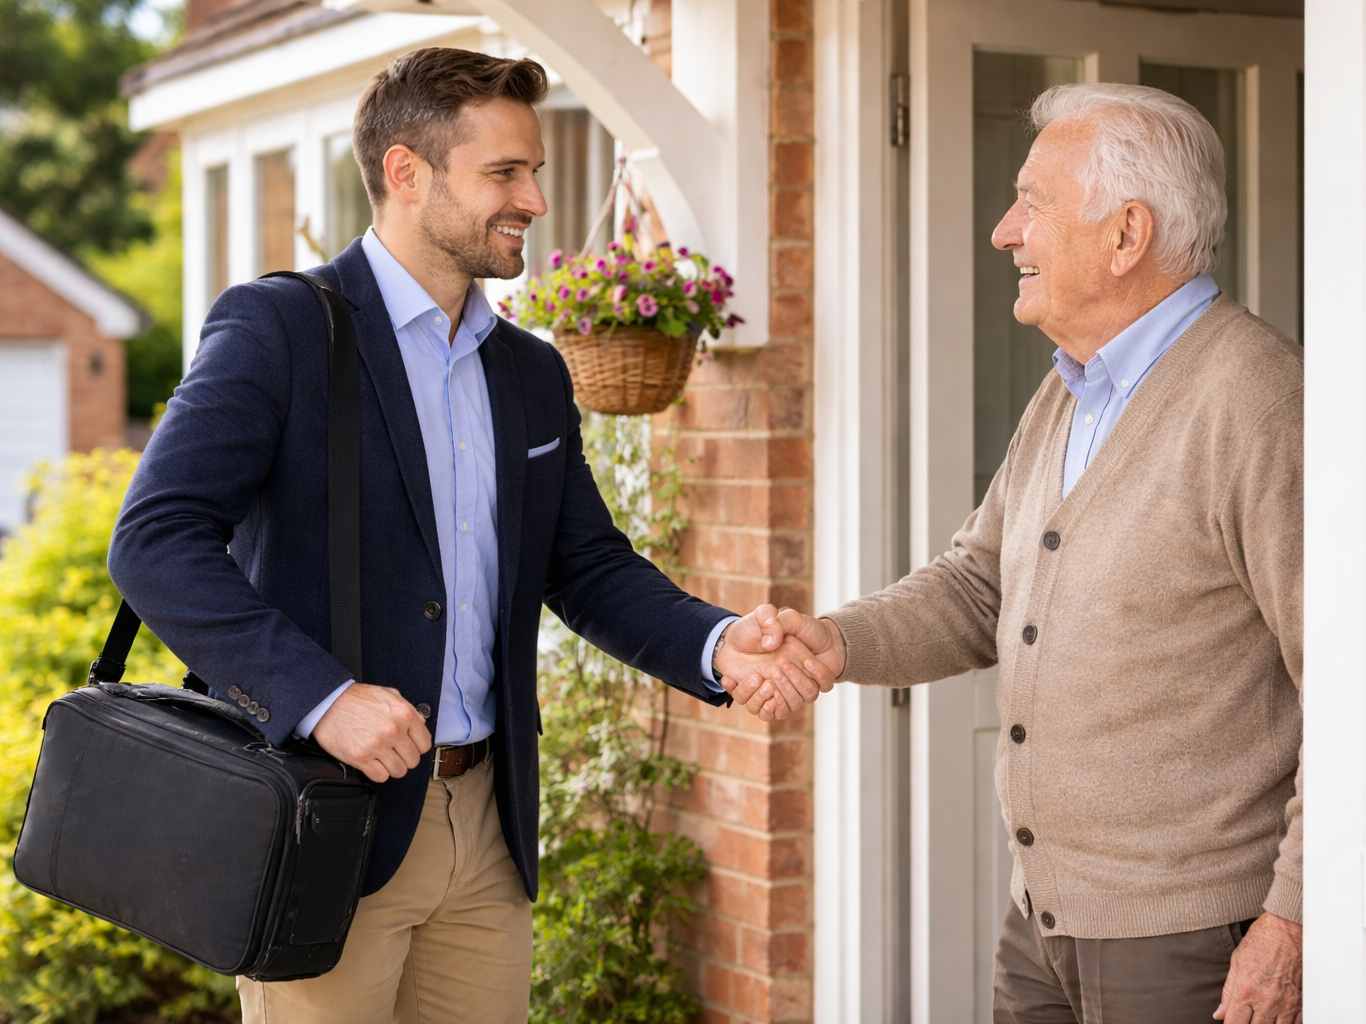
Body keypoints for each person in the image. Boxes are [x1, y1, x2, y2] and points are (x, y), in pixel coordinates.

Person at [108, 46, 827, 1024]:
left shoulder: (529, 371)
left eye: (533, 171)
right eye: (505, 172)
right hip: (327, 819)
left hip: (488, 830)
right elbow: (155, 540)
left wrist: (715, 640)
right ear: (407, 173)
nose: (533, 197)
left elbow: (585, 566)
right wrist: (320, 699)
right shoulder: (281, 329)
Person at [728, 83, 1304, 1024]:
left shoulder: (1257, 401)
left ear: (1126, 236)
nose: (1005, 231)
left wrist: (1293, 918)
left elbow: (1348, 688)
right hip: (1044, 918)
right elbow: (977, 585)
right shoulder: (1072, 392)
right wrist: (837, 643)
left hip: (1193, 939)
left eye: (1032, 202)